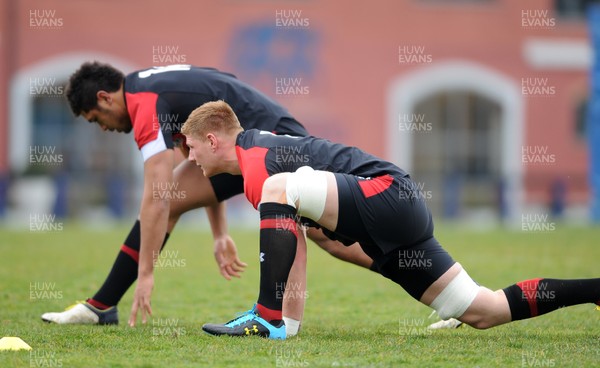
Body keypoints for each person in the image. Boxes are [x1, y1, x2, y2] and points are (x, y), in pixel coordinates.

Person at [180, 100, 600, 339]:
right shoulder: (262, 161)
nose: (190, 156)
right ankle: (594, 289)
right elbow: (314, 243)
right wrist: (387, 265)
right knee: (484, 310)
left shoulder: (257, 165)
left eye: (191, 147)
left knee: (279, 192)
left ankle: (266, 316)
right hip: (397, 222)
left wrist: (276, 317)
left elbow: (296, 242)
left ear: (213, 139)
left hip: (390, 192)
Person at [41, 62, 374, 336]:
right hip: (249, 144)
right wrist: (219, 234)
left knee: (330, 237)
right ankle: (101, 306)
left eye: (96, 119)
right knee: (172, 202)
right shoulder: (152, 91)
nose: (102, 128)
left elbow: (157, 194)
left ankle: (416, 271)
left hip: (277, 142)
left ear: (104, 98)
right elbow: (204, 164)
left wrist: (146, 274)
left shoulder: (143, 102)